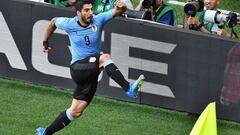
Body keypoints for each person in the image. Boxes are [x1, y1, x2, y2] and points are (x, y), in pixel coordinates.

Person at [36, 0, 145, 134]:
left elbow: (117, 11)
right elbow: (53, 21)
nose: (90, 13)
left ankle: (45, 132)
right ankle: (128, 88)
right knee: (104, 58)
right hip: (78, 69)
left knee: (76, 111)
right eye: (86, 10)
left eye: (91, 9)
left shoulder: (98, 20)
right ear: (78, 13)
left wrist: (121, 7)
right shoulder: (69, 23)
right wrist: (45, 41)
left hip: (91, 72)